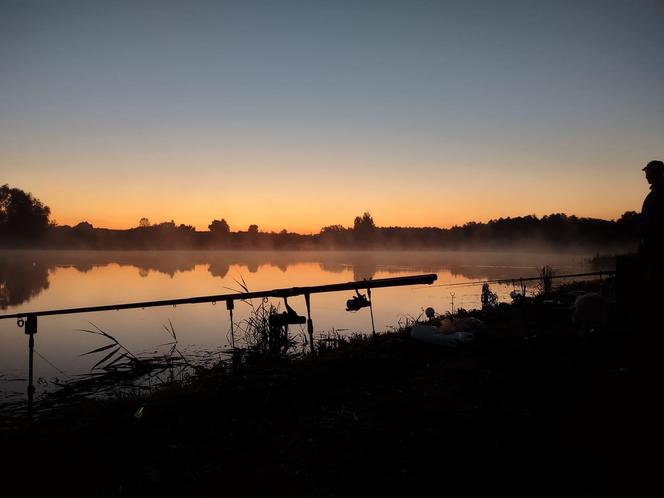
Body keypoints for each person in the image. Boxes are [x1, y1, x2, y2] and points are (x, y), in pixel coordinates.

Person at [639, 160, 664, 266]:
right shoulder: (656, 192)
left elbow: (655, 220)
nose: (646, 176)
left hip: (656, 245)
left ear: (655, 173)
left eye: (647, 173)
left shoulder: (659, 192)